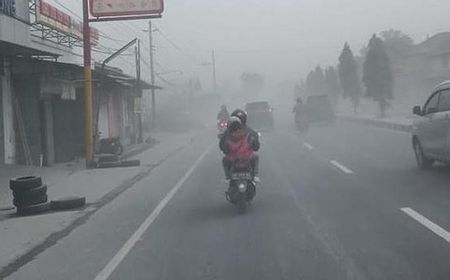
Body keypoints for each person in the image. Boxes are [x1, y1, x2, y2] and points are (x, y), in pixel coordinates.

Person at [220, 109, 260, 183]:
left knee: (224, 160)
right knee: (256, 157)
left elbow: (223, 147)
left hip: (232, 158)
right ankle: (255, 176)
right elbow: (256, 146)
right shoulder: (247, 133)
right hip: (247, 157)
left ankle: (228, 177)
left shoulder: (227, 134)